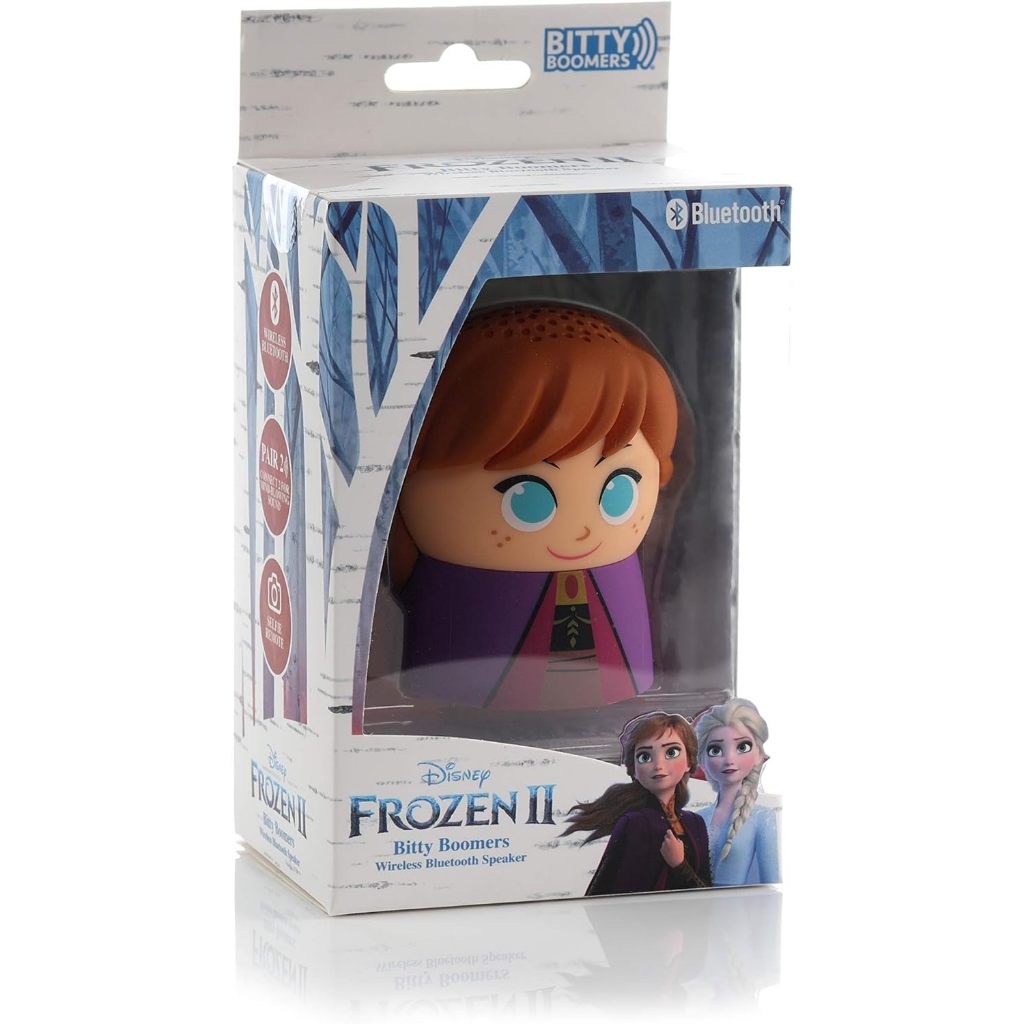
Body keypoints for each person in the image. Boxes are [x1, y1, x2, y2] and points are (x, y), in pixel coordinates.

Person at [391, 302, 693, 711]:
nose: (581, 531)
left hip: (616, 706)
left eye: (618, 493)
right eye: (527, 500)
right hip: (454, 697)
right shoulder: (452, 594)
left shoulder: (621, 581)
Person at [562, 711, 711, 894]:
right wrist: (679, 866)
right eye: (645, 757)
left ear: (689, 761)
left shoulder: (695, 823)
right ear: (633, 769)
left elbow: (707, 892)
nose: (658, 765)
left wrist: (680, 865)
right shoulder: (636, 823)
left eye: (671, 752)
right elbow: (612, 892)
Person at [695, 698, 779, 886]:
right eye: (715, 750)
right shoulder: (696, 818)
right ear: (702, 760)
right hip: (693, 903)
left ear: (759, 755)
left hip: (739, 904)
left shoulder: (763, 818)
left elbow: (771, 883)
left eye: (742, 747)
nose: (729, 759)